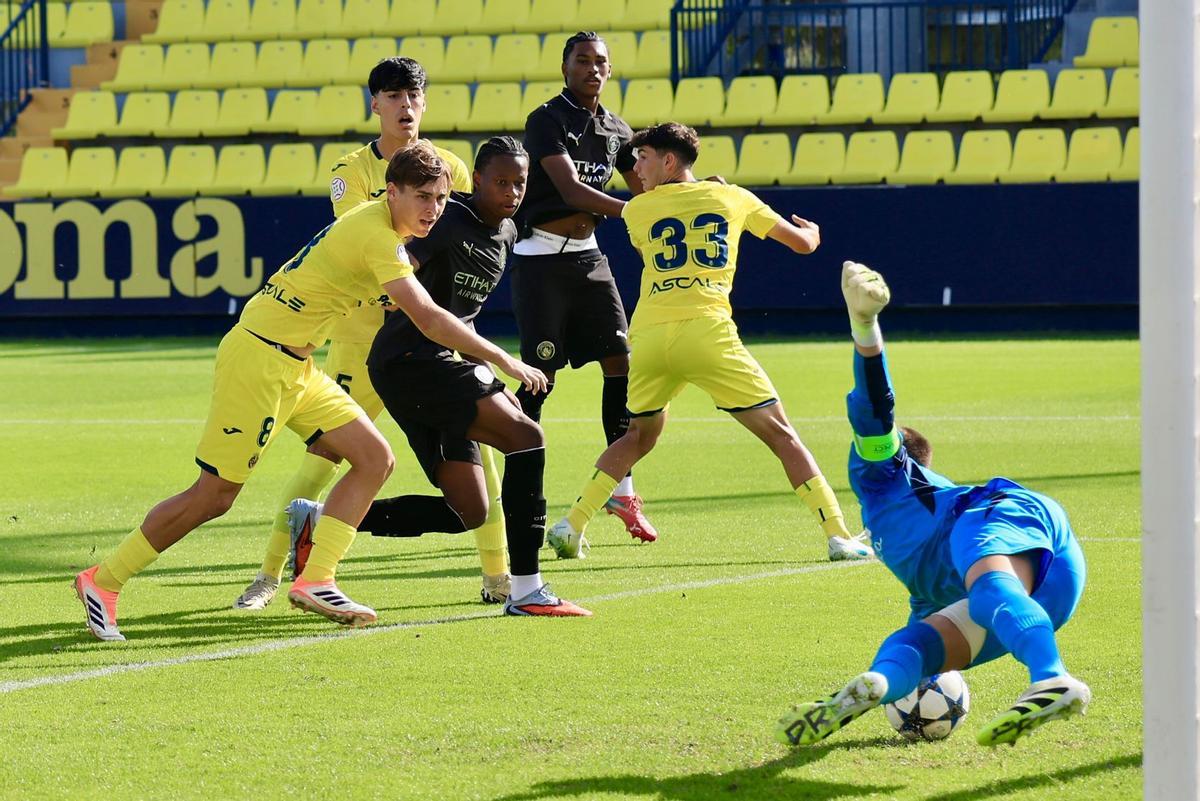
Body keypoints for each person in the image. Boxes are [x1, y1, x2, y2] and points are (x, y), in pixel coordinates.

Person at [73, 143, 547, 641]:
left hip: (297, 365)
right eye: (423, 197)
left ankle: (317, 578)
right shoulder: (378, 237)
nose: (433, 210)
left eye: (442, 199)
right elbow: (427, 317)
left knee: (373, 457)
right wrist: (504, 359)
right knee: (214, 496)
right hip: (259, 359)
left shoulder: (385, 229)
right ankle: (103, 582)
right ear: (392, 192)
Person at [233, 56, 514, 612]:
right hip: (364, 339)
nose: (405, 105)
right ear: (376, 105)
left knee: (481, 454)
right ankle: (268, 575)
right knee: (324, 460)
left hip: (431, 342)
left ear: (425, 103)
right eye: (393, 96)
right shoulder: (351, 172)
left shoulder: (454, 170)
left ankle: (500, 575)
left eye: (413, 95)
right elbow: (382, 247)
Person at [775, 262, 1090, 748]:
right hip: (1047, 597)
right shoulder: (916, 560)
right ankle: (874, 687)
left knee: (984, 592)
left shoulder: (882, 474)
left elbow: (874, 408)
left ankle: (1052, 676)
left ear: (903, 454)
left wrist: (865, 328)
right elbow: (930, 621)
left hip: (1002, 516)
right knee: (911, 645)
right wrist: (903, 673)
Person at [288, 137, 591, 617]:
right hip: (414, 358)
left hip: (433, 365)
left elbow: (460, 311)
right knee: (525, 437)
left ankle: (319, 522)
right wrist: (502, 362)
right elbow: (406, 268)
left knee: (468, 510)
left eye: (520, 183)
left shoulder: (508, 232)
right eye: (500, 182)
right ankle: (527, 589)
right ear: (480, 180)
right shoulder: (446, 219)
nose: (511, 192)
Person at [546, 123, 869, 562]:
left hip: (651, 337)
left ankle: (572, 524)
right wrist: (812, 232)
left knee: (637, 435)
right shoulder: (733, 198)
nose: (635, 168)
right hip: (707, 332)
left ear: (669, 162)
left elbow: (657, 249)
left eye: (643, 158)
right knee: (781, 435)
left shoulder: (638, 212)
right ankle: (838, 534)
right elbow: (802, 245)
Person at [512, 31, 658, 543]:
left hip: (587, 259)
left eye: (600, 61)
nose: (592, 68)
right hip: (540, 262)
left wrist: (688, 197)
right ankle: (516, 482)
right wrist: (637, 210)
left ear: (610, 70)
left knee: (620, 362)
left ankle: (622, 489)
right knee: (538, 377)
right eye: (582, 60)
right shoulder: (546, 119)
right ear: (565, 68)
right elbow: (573, 189)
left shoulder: (616, 128)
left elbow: (648, 179)